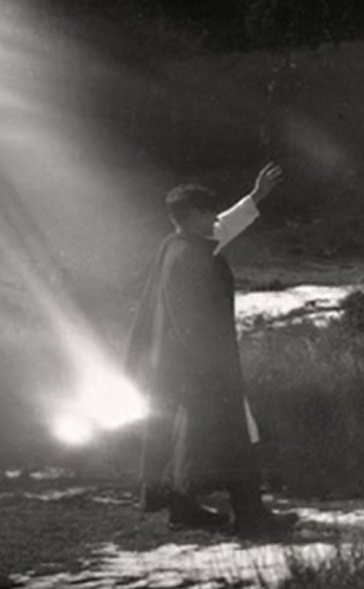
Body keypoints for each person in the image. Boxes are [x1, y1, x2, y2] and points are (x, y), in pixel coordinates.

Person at [124, 162, 297, 535]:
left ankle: (183, 508)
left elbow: (222, 229)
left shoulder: (177, 246)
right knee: (231, 435)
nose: (215, 218)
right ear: (194, 215)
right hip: (202, 367)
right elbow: (191, 319)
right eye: (209, 212)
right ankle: (250, 515)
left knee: (188, 439)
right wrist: (213, 367)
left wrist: (256, 197)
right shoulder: (190, 258)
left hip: (180, 368)